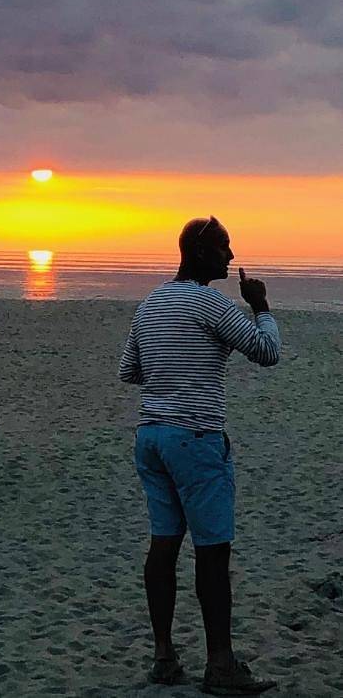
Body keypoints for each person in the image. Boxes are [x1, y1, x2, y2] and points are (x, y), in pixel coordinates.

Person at [119, 216, 280, 695]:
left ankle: (165, 657)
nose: (231, 257)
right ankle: (220, 665)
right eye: (225, 247)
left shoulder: (151, 304)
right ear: (201, 252)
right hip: (196, 435)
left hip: (152, 436)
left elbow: (130, 370)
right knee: (212, 551)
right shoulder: (211, 303)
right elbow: (267, 352)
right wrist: (261, 306)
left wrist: (170, 368)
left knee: (164, 544)